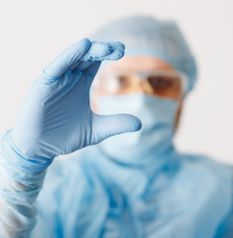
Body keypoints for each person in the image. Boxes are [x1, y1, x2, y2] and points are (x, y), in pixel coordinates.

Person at [0, 15, 232, 238]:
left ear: (183, 96)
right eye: (121, 80)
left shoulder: (221, 190)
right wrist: (21, 171)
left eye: (160, 82)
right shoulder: (51, 186)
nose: (140, 97)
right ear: (91, 92)